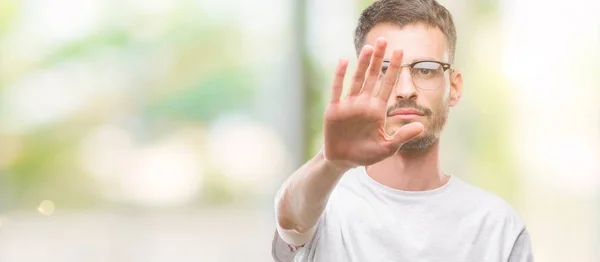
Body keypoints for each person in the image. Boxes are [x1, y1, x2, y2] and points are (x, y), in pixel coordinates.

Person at [271, 0, 533, 261]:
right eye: (385, 70)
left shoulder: (498, 227)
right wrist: (331, 163)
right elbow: (290, 220)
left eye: (426, 70)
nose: (406, 89)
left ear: (454, 88)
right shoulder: (323, 207)